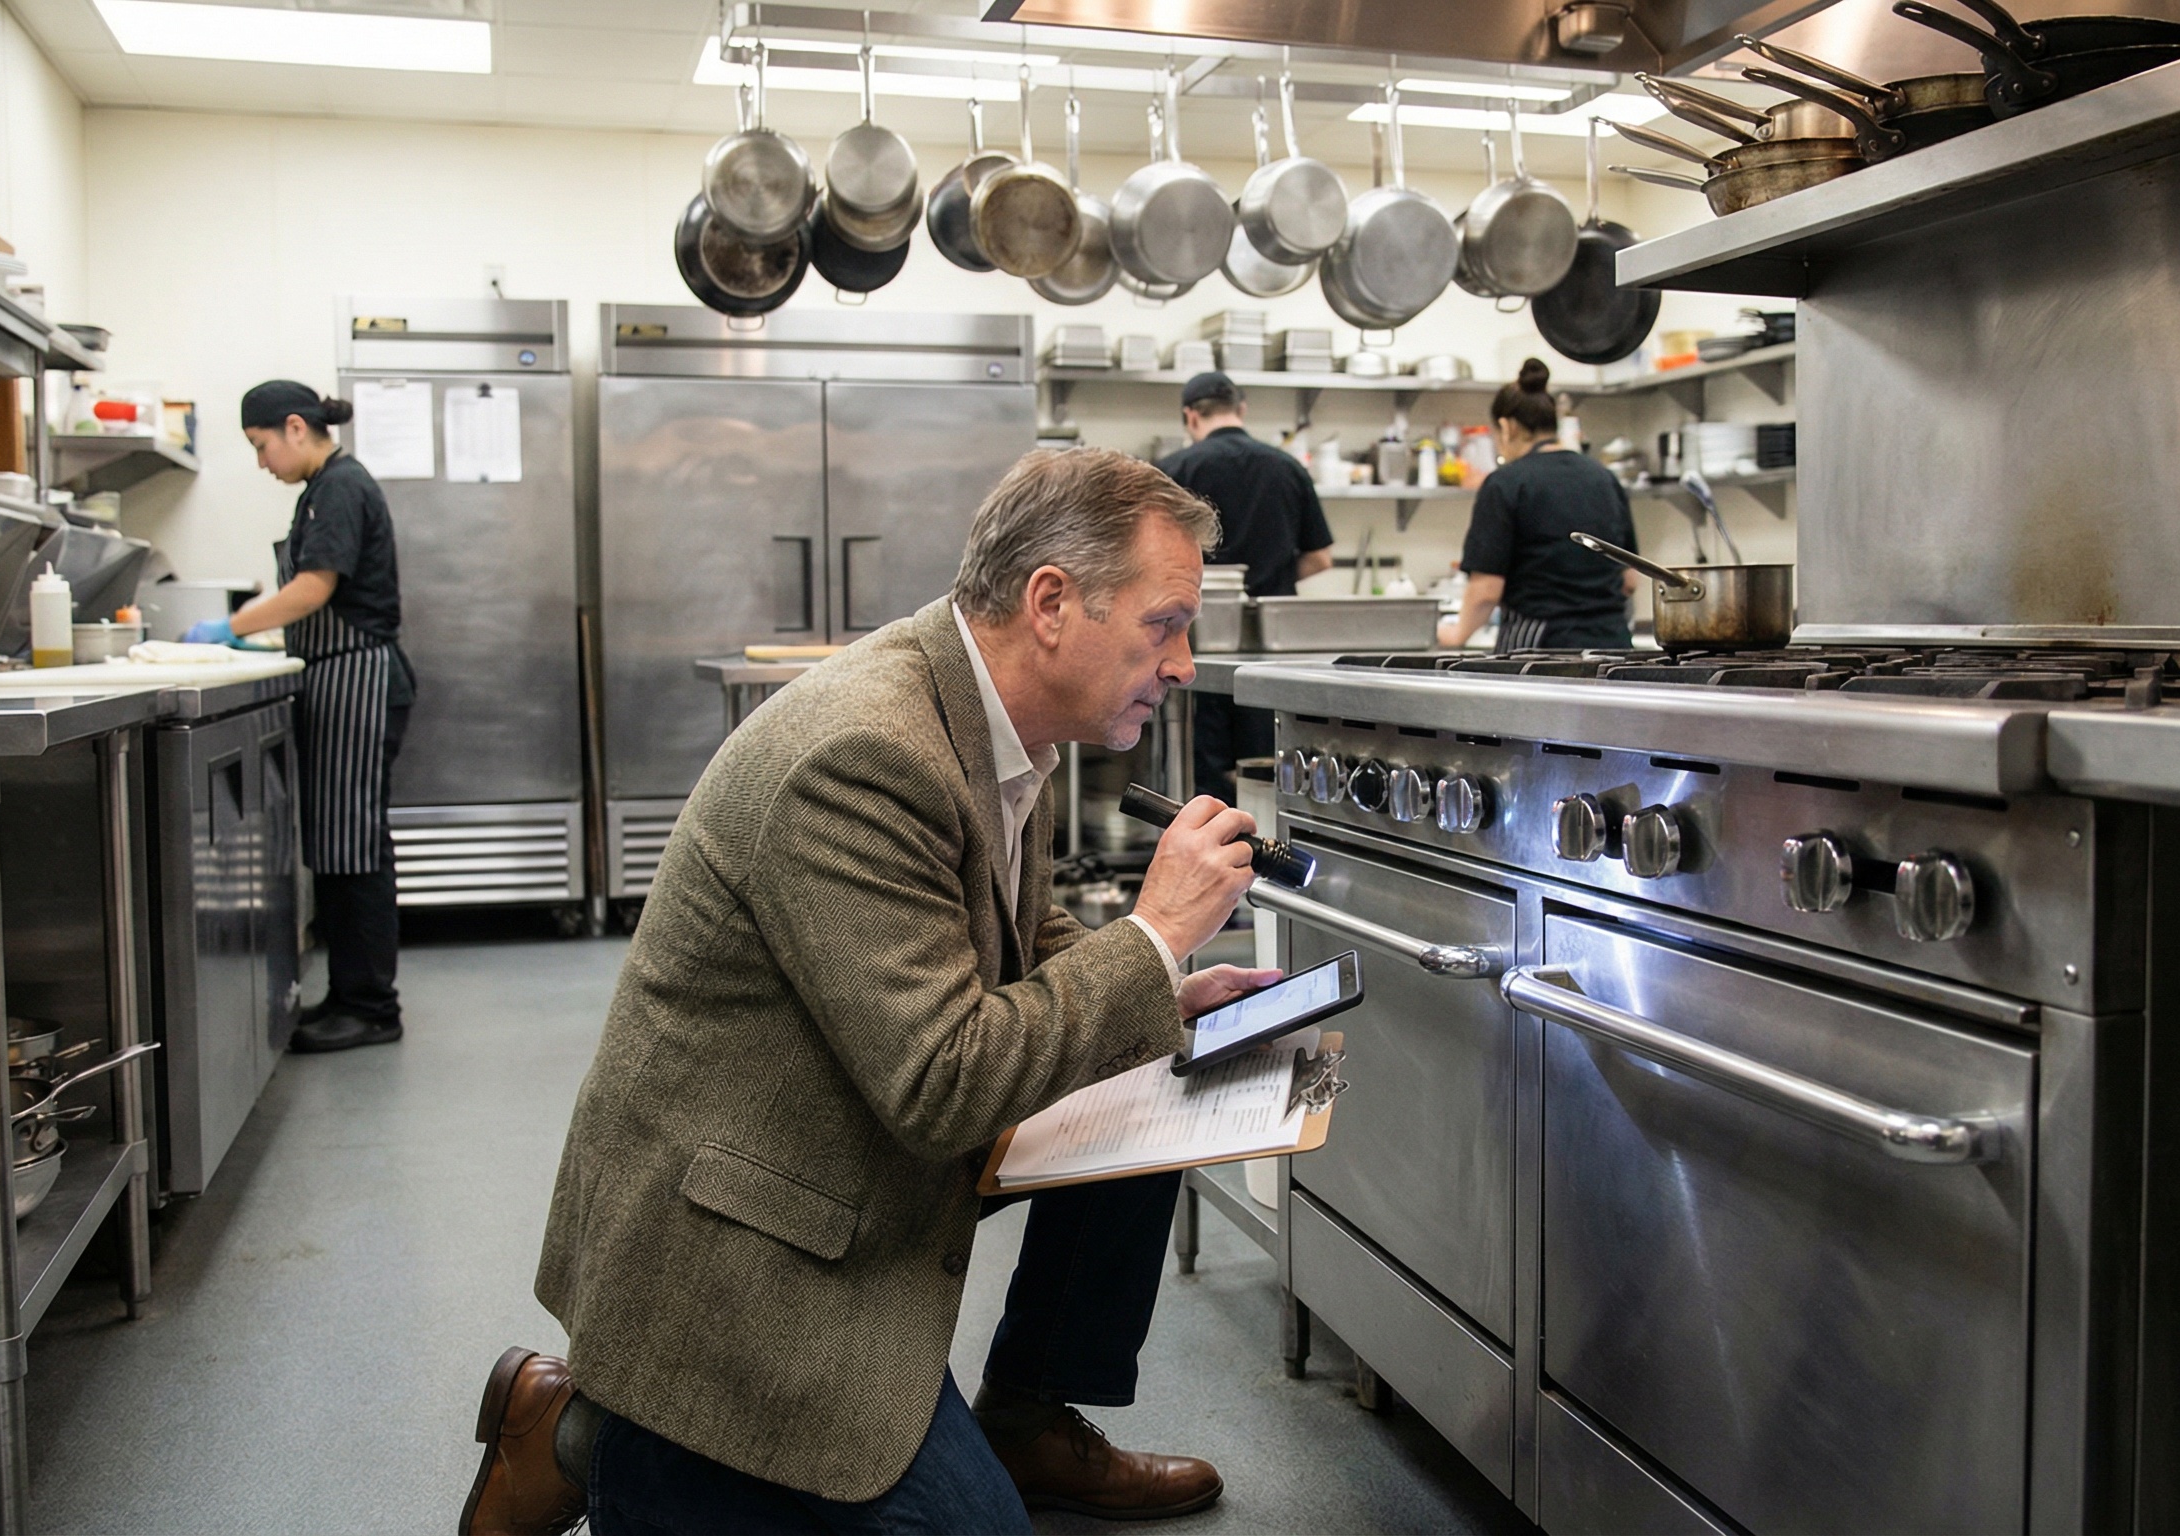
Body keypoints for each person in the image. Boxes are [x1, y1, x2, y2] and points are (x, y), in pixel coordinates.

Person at [462, 449, 1282, 1536]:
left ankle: (1027, 1419)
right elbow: (942, 1083)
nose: (1181, 664)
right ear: (1050, 603)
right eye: (1165, 624)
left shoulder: (993, 721)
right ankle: (588, 1430)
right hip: (740, 1237)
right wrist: (1155, 934)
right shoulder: (864, 753)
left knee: (1149, 1067)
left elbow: (1016, 937)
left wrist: (1159, 990)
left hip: (860, 1133)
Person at [186, 381, 415, 1053]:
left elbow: (314, 588)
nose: (262, 463)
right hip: (338, 676)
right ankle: (351, 995)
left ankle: (373, 1008)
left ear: (293, 427)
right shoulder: (321, 490)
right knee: (342, 846)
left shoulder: (341, 486)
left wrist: (224, 627)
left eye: (261, 447)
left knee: (354, 847)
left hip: (358, 678)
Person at [1154, 371, 1332, 802]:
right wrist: (1274, 579)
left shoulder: (1175, 470)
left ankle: (1206, 863)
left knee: (1205, 782)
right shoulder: (1288, 467)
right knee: (1269, 776)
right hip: (1272, 652)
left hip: (1196, 646)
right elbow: (1319, 557)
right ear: (1242, 410)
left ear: (1190, 416)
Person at [1439, 358, 1646, 652]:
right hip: (1613, 646)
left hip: (1541, 648)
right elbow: (1629, 580)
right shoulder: (1604, 478)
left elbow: (1486, 591)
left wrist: (1457, 634)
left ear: (1506, 427)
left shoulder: (1506, 483)